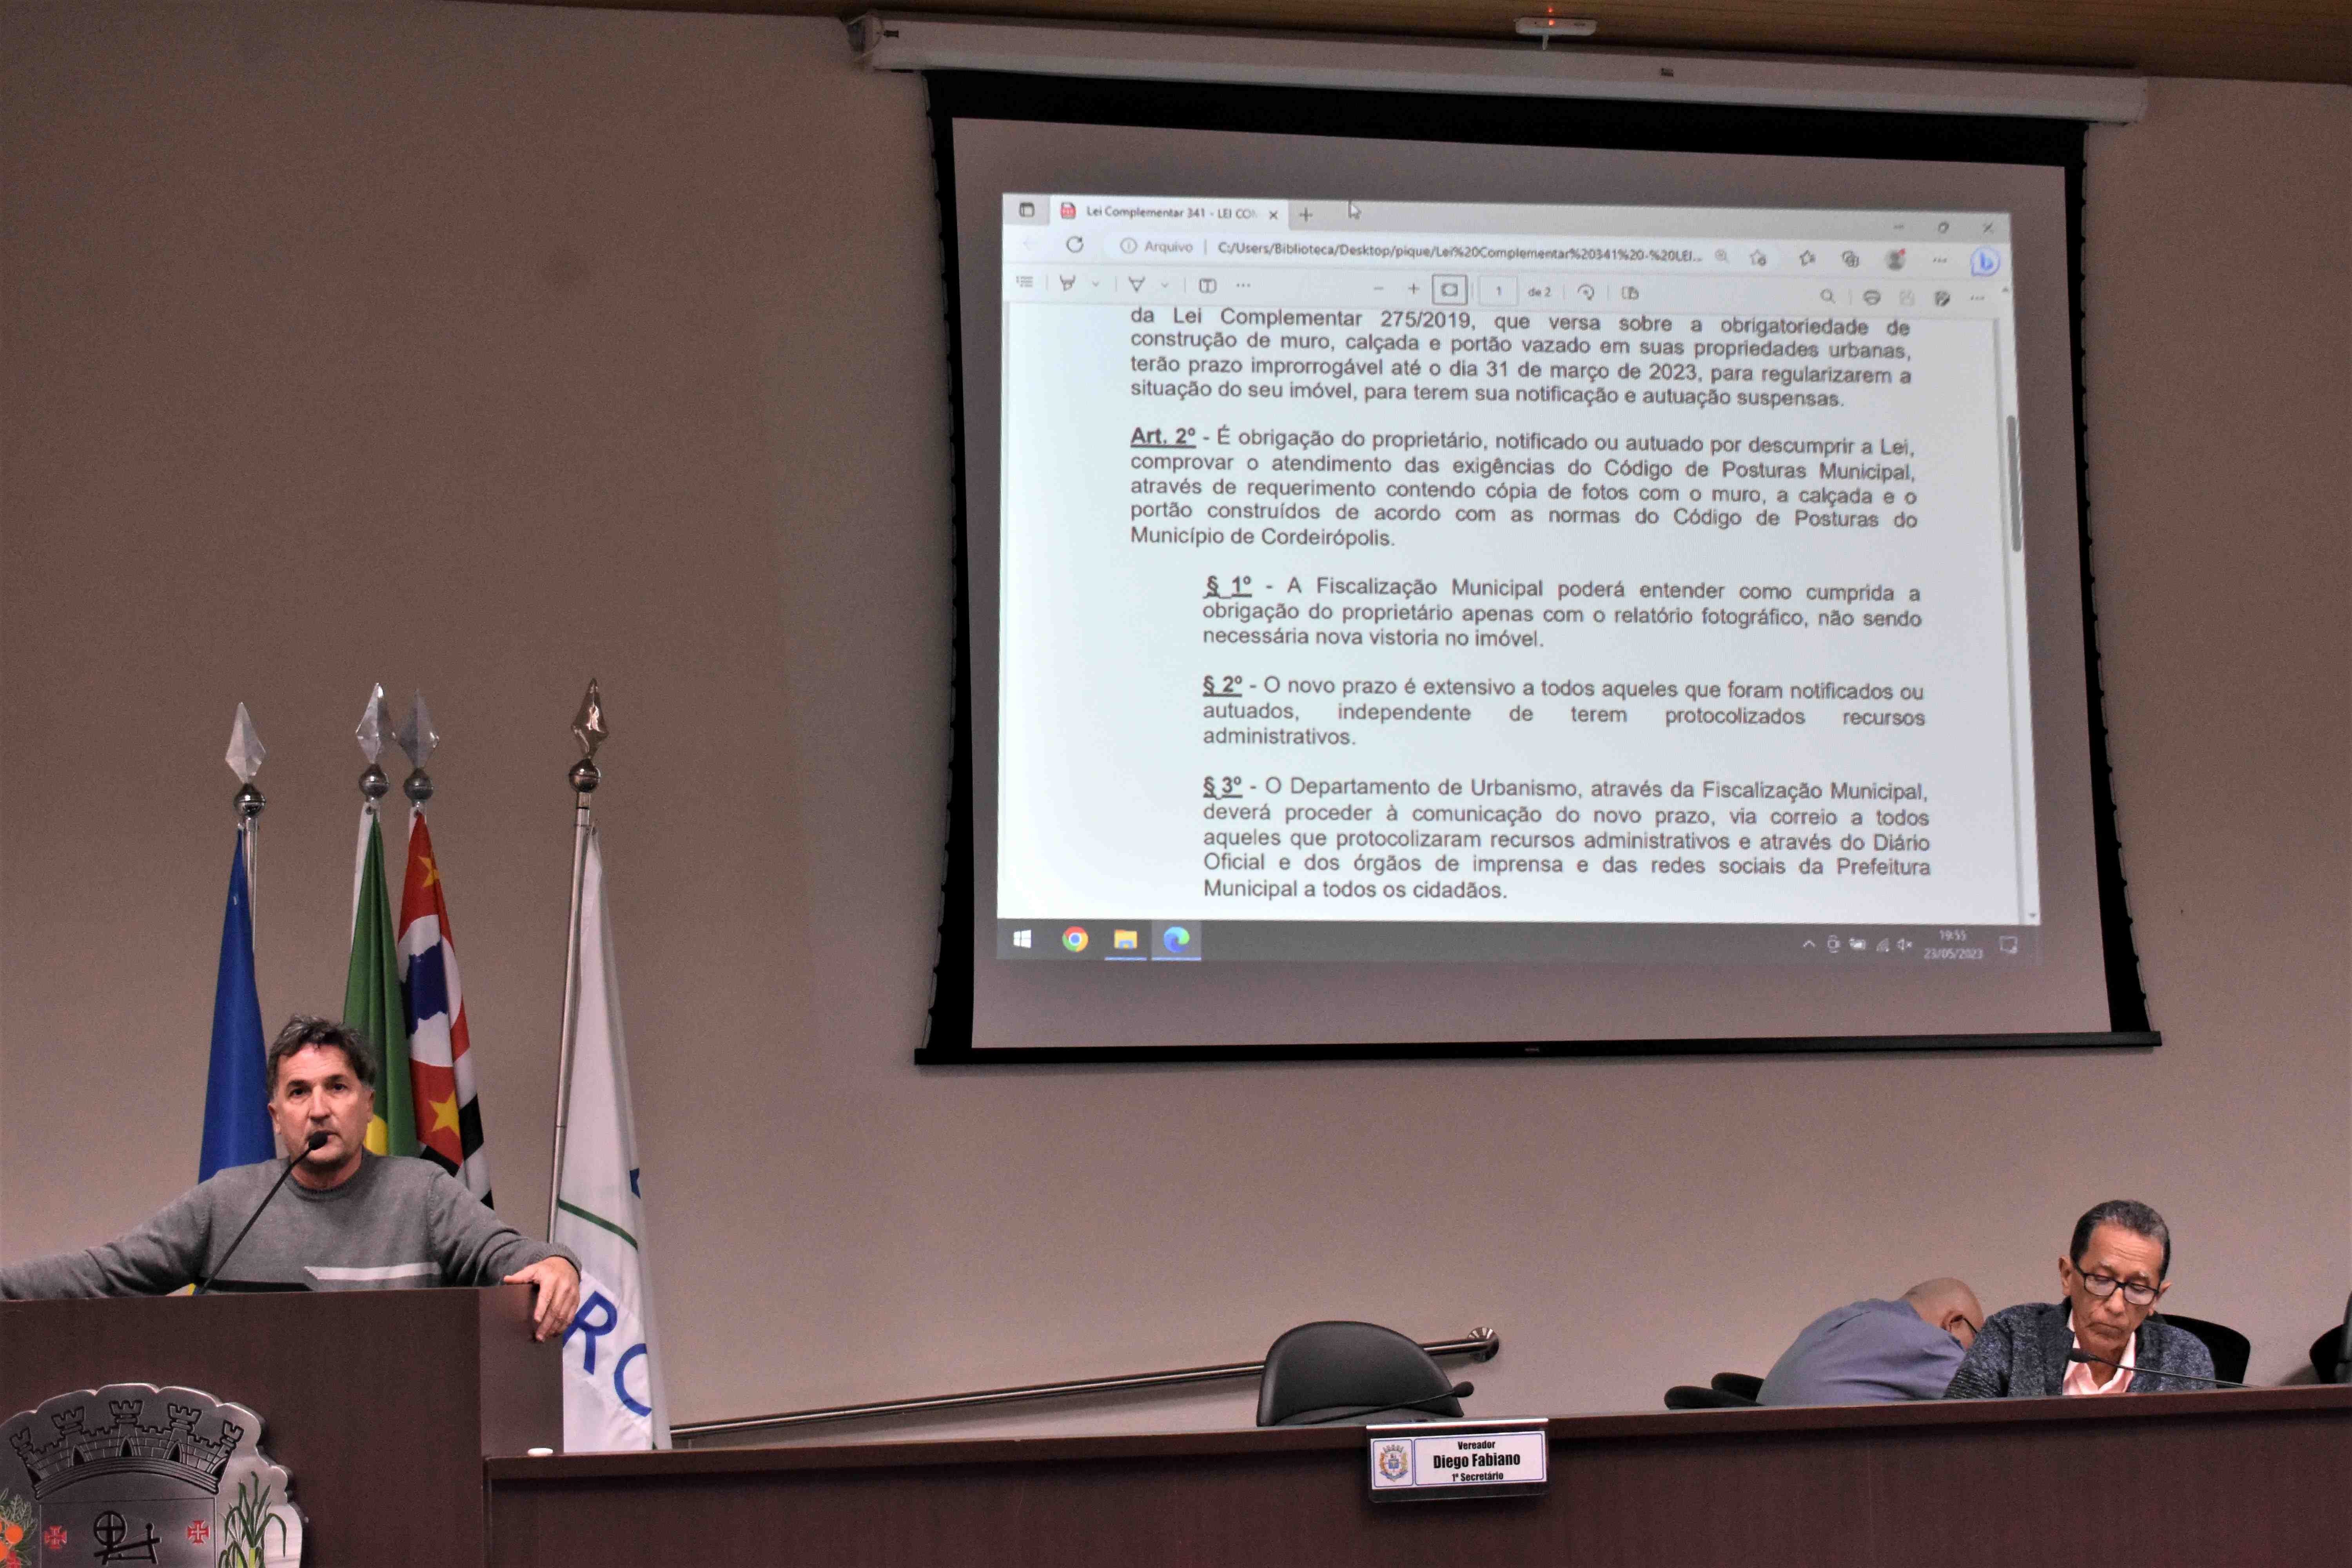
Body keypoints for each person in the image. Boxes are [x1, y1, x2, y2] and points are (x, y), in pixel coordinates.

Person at [0, 1016, 580, 1339]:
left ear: (368, 1106)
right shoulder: (229, 1201)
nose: (319, 1109)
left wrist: (556, 1262)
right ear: (277, 1117)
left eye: (337, 1087)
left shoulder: (422, 1194)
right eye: (299, 1092)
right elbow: (109, 1273)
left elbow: (507, 1253)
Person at [1943, 1199, 2215, 1398]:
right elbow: (1955, 1443)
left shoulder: (2185, 1360)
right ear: (2067, 1275)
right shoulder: (2012, 1337)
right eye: (2102, 1280)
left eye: (2138, 1289)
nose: (2116, 1306)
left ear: (2157, 1297)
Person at [1757, 1278, 1985, 1405]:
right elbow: (1995, 1406)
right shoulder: (1929, 1343)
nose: (1971, 1354)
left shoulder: (1830, 1323)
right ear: (1954, 1322)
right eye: (1977, 1339)